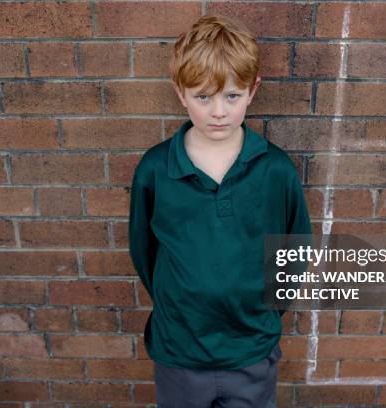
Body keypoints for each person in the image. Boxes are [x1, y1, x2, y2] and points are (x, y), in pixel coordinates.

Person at [128, 14, 312, 408]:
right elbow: (145, 253)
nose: (218, 112)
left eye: (231, 96)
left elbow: (295, 253)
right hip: (180, 352)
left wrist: (261, 315)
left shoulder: (275, 170)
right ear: (180, 93)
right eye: (203, 96)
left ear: (252, 90)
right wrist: (181, 299)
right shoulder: (156, 170)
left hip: (250, 352)